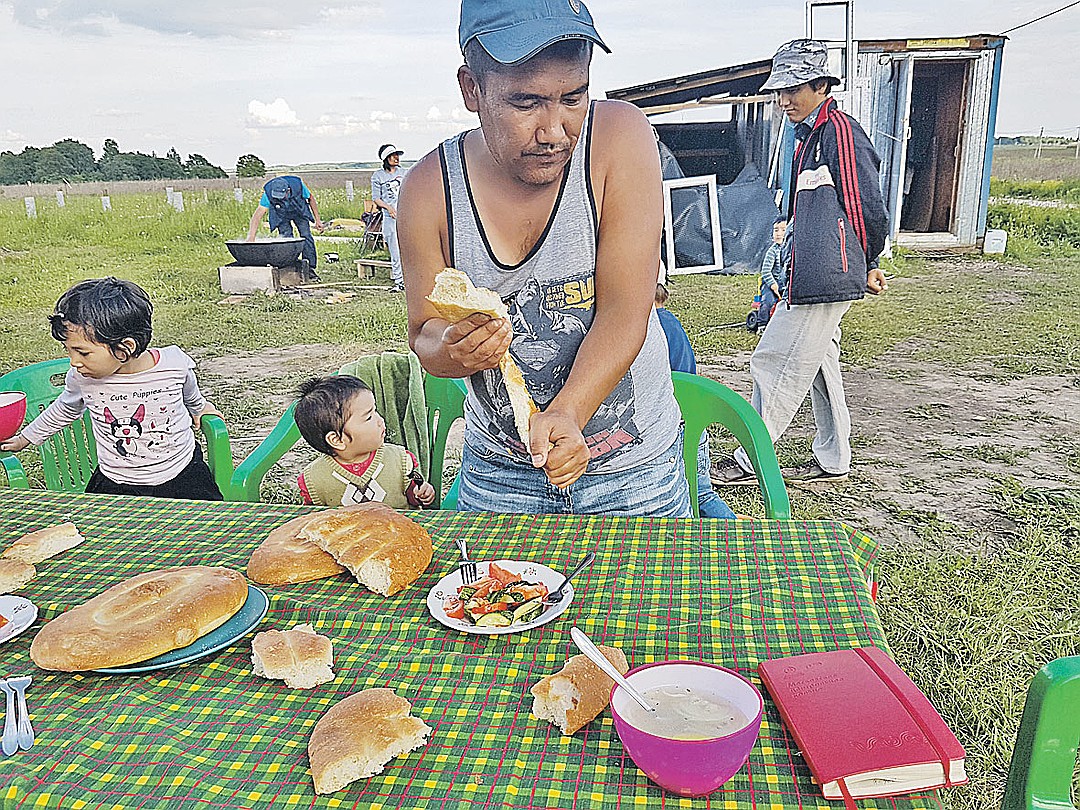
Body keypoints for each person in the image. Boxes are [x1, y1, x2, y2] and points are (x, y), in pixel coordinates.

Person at [397, 0, 690, 517]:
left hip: (630, 471)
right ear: (472, 90)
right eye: (526, 103)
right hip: (500, 475)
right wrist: (453, 351)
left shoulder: (619, 140)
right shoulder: (429, 190)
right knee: (494, 598)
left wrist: (570, 411)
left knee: (640, 599)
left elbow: (628, 311)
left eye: (572, 98)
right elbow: (423, 333)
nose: (554, 131)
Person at [714, 39, 888, 487]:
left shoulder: (839, 131)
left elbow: (865, 201)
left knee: (777, 360)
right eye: (779, 91)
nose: (784, 99)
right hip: (808, 267)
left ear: (820, 85)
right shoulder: (805, 136)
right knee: (820, 363)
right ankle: (835, 458)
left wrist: (868, 260)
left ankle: (749, 459)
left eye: (793, 88)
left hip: (827, 270)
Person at [0, 277, 223, 500]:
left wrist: (199, 407)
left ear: (125, 347)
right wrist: (25, 438)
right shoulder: (82, 378)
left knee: (205, 527)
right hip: (117, 483)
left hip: (182, 474)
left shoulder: (172, 364)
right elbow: (64, 410)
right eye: (68, 351)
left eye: (83, 352)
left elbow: (188, 386)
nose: (74, 362)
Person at [654, 280, 737, 519]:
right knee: (703, 494)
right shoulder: (672, 322)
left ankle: (739, 538)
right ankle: (742, 540)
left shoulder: (648, 327)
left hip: (672, 426)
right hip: (693, 421)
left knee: (687, 496)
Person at [293, 375, 436, 509]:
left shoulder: (399, 460)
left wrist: (421, 493)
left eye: (375, 411)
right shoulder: (315, 479)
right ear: (337, 440)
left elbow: (413, 496)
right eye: (369, 417)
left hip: (398, 532)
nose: (380, 420)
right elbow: (314, 519)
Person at [245, 175, 324, 279]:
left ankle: (310, 269)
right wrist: (251, 236)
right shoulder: (268, 193)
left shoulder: (298, 185)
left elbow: (311, 199)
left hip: (299, 209)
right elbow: (257, 215)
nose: (279, 198)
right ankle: (290, 267)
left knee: (306, 236)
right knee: (286, 238)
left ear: (287, 191)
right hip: (281, 213)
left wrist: (317, 220)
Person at [371, 145, 407, 292]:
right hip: (390, 217)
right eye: (393, 155)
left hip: (405, 215)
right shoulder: (378, 176)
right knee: (396, 249)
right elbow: (376, 198)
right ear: (386, 158)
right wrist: (388, 208)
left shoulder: (405, 173)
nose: (396, 158)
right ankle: (399, 282)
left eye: (397, 155)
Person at [747, 218, 788, 333]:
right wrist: (772, 284)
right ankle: (762, 324)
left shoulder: (790, 251)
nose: (779, 233)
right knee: (767, 301)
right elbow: (765, 271)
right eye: (776, 230)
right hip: (771, 283)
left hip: (785, 283)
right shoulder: (772, 251)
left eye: (783, 230)